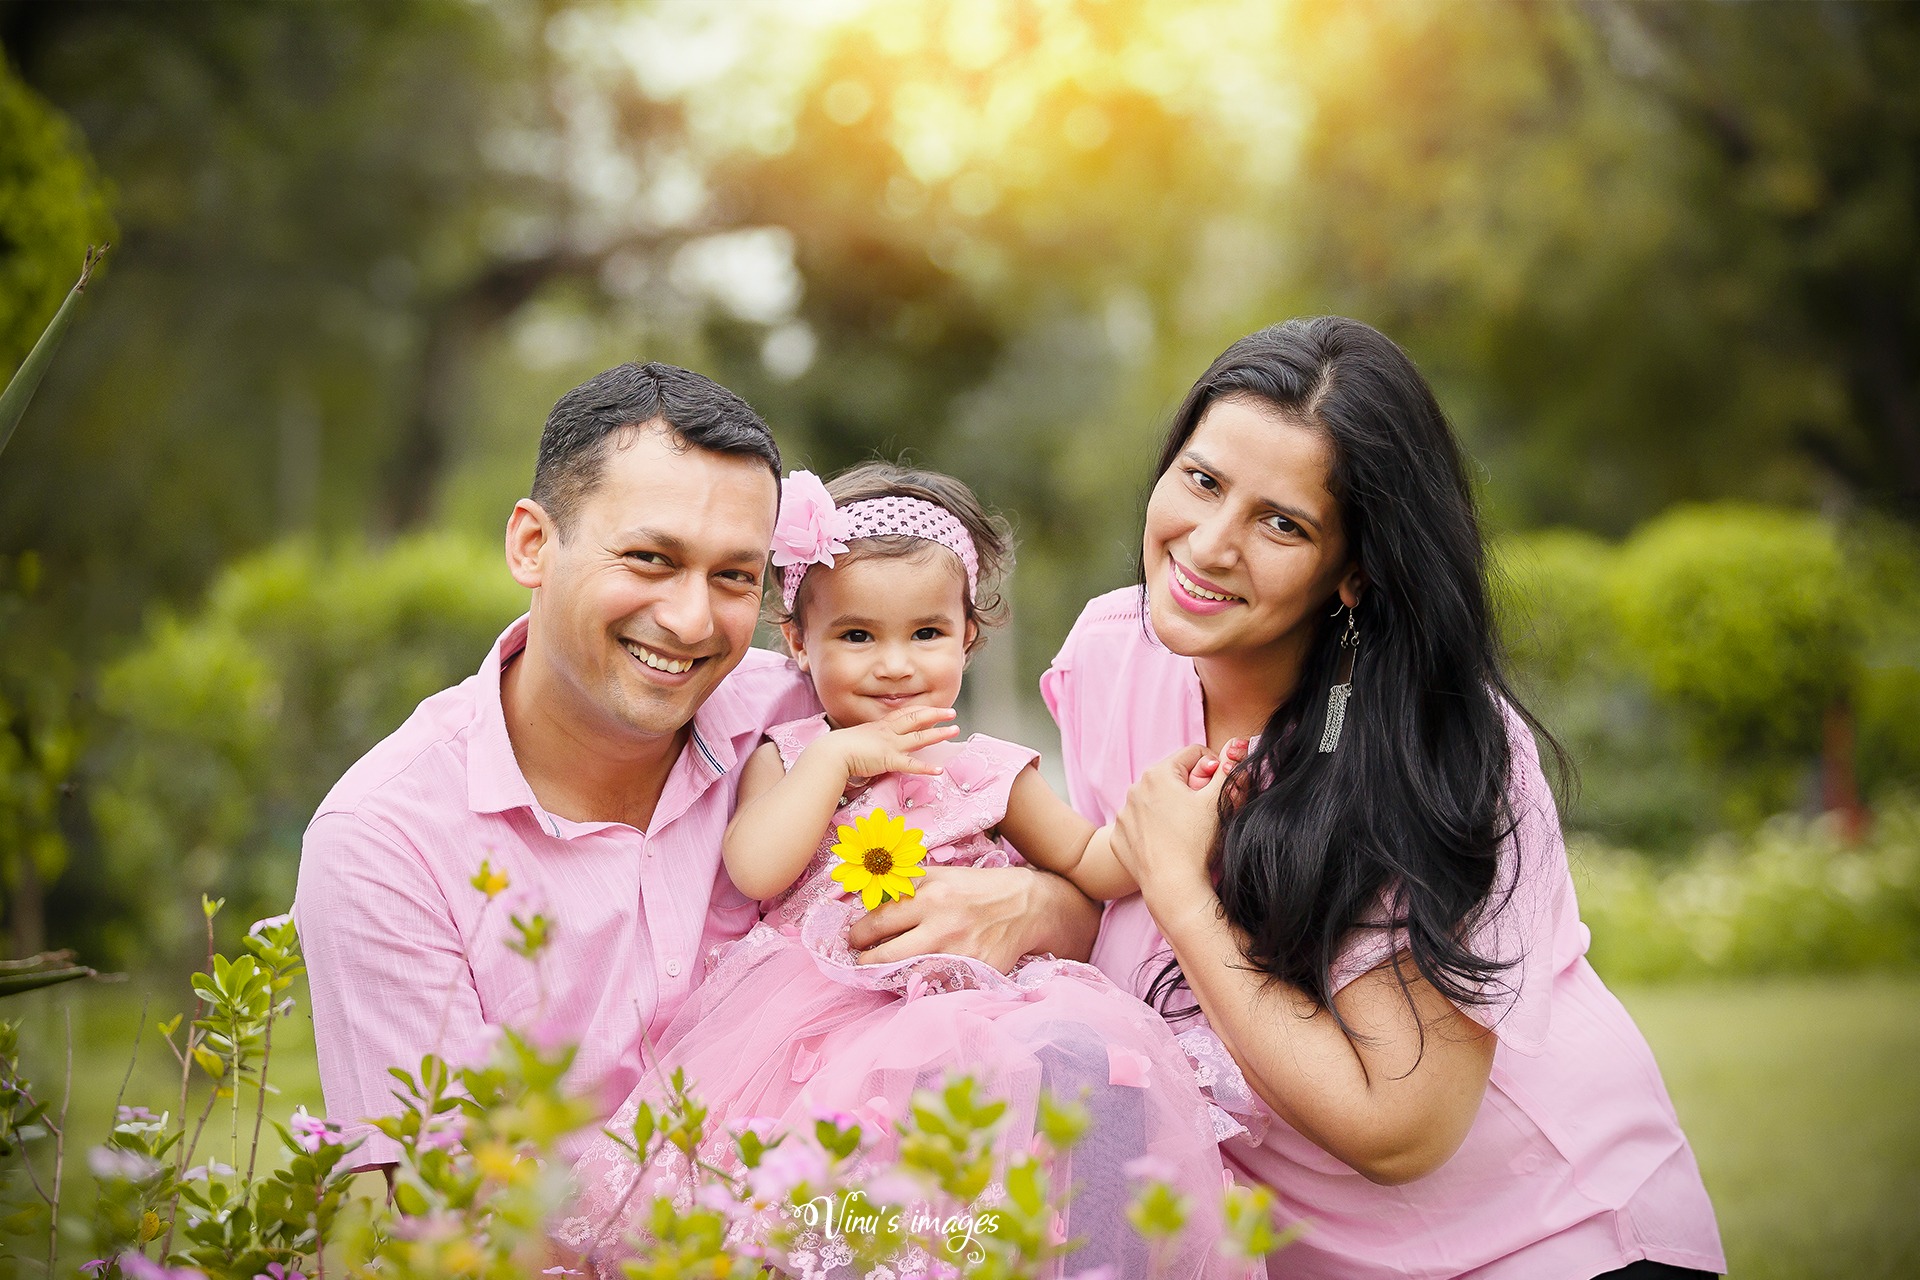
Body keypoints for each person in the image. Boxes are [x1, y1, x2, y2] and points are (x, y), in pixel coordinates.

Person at [1042, 318, 1727, 1279]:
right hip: (1310, 1252)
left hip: (1548, 1235)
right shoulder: (1112, 653)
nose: (1209, 543)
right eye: (1201, 480)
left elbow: (1400, 1128)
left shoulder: (1434, 744)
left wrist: (1182, 893)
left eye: (1282, 522)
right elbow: (1108, 885)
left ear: (1355, 570)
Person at [292, 363, 1100, 1171]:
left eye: (734, 577)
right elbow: (448, 1217)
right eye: (649, 557)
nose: (689, 620)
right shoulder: (385, 844)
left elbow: (1082, 895)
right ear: (533, 544)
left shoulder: (808, 708)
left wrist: (1029, 905)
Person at [562, 462, 1255, 1278]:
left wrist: (1172, 805)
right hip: (815, 1039)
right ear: (797, 640)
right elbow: (755, 867)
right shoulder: (793, 757)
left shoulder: (986, 771)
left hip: (983, 1024)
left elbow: (1092, 864)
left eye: (925, 634)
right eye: (857, 637)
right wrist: (836, 759)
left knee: (1040, 1124)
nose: (894, 664)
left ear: (966, 635)